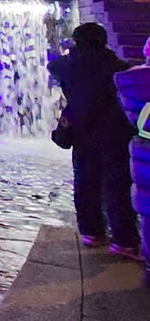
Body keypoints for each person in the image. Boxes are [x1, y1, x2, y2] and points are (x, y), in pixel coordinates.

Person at [49, 22, 141, 258]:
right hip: (113, 131)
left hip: (82, 130)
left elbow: (53, 66)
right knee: (117, 185)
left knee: (85, 181)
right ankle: (123, 241)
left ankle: (92, 232)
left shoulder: (68, 66)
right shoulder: (115, 66)